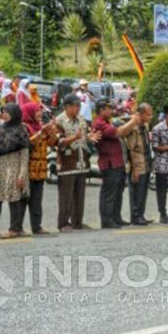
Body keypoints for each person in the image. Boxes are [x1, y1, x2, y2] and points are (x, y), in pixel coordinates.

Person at [92, 99, 141, 229]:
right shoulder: (99, 124)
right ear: (101, 110)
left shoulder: (108, 122)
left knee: (118, 191)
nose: (111, 111)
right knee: (109, 193)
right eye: (108, 108)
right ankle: (107, 220)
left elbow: (123, 131)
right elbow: (118, 132)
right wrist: (133, 121)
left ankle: (116, 217)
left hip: (117, 162)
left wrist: (130, 122)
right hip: (109, 163)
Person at [0, 104, 30, 239]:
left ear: (15, 114)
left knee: (14, 200)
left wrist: (22, 175)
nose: (4, 114)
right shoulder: (0, 129)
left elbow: (24, 154)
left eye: (7, 112)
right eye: (3, 112)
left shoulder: (22, 130)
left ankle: (14, 229)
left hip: (13, 169)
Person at [54, 94, 99, 232]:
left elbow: (85, 136)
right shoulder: (59, 121)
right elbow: (59, 143)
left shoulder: (81, 119)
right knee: (66, 195)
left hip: (81, 160)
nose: (78, 109)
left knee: (80, 194)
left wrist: (90, 138)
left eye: (79, 106)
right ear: (67, 106)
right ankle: (63, 223)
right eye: (75, 106)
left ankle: (77, 222)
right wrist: (75, 137)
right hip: (67, 162)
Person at [22, 102, 57, 235]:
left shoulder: (41, 127)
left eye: (40, 111)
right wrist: (41, 132)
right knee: (23, 200)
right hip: (27, 168)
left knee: (37, 201)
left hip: (41, 169)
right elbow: (27, 143)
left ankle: (37, 227)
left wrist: (51, 131)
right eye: (37, 111)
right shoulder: (25, 127)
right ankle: (17, 227)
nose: (40, 113)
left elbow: (52, 142)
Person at [125, 103, 154, 226]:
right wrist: (135, 169)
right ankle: (136, 217)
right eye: (148, 114)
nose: (150, 117)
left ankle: (141, 215)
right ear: (141, 114)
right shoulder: (134, 129)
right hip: (138, 165)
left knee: (143, 192)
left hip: (146, 163)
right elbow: (130, 149)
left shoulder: (145, 126)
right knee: (136, 192)